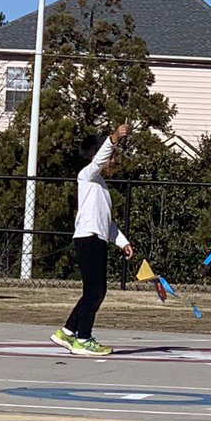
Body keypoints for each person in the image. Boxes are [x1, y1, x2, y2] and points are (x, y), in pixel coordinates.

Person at [51, 122, 133, 356]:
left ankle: (67, 331)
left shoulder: (100, 186)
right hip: (88, 238)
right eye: (110, 156)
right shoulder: (86, 175)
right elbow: (99, 160)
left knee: (94, 290)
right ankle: (83, 338)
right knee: (96, 291)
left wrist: (123, 242)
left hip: (97, 238)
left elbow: (106, 222)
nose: (112, 161)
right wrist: (114, 138)